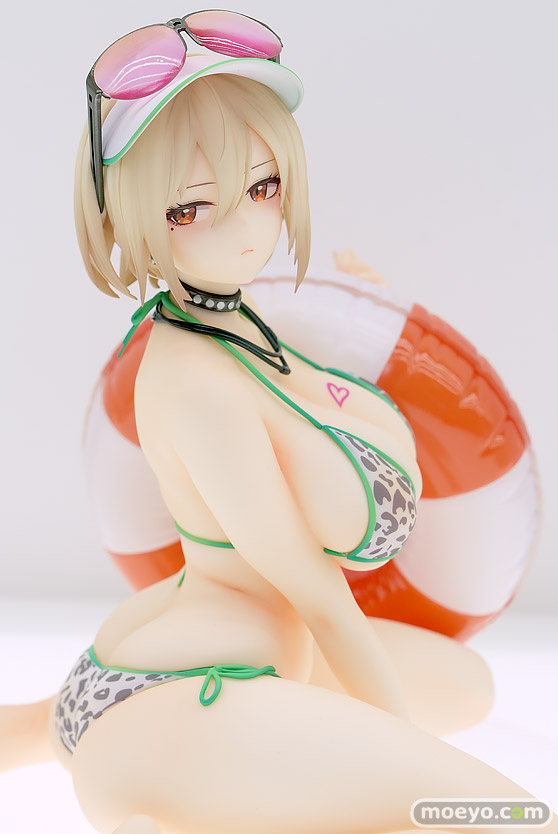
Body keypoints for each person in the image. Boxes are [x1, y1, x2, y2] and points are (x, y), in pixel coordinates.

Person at [1, 11, 554, 834]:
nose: (245, 228)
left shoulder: (238, 326)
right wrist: (397, 749)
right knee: (503, 814)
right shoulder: (193, 380)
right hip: (179, 693)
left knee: (469, 688)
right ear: (131, 216)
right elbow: (313, 589)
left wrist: (376, 306)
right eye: (190, 209)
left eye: (263, 189)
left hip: (223, 647)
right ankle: (175, 793)